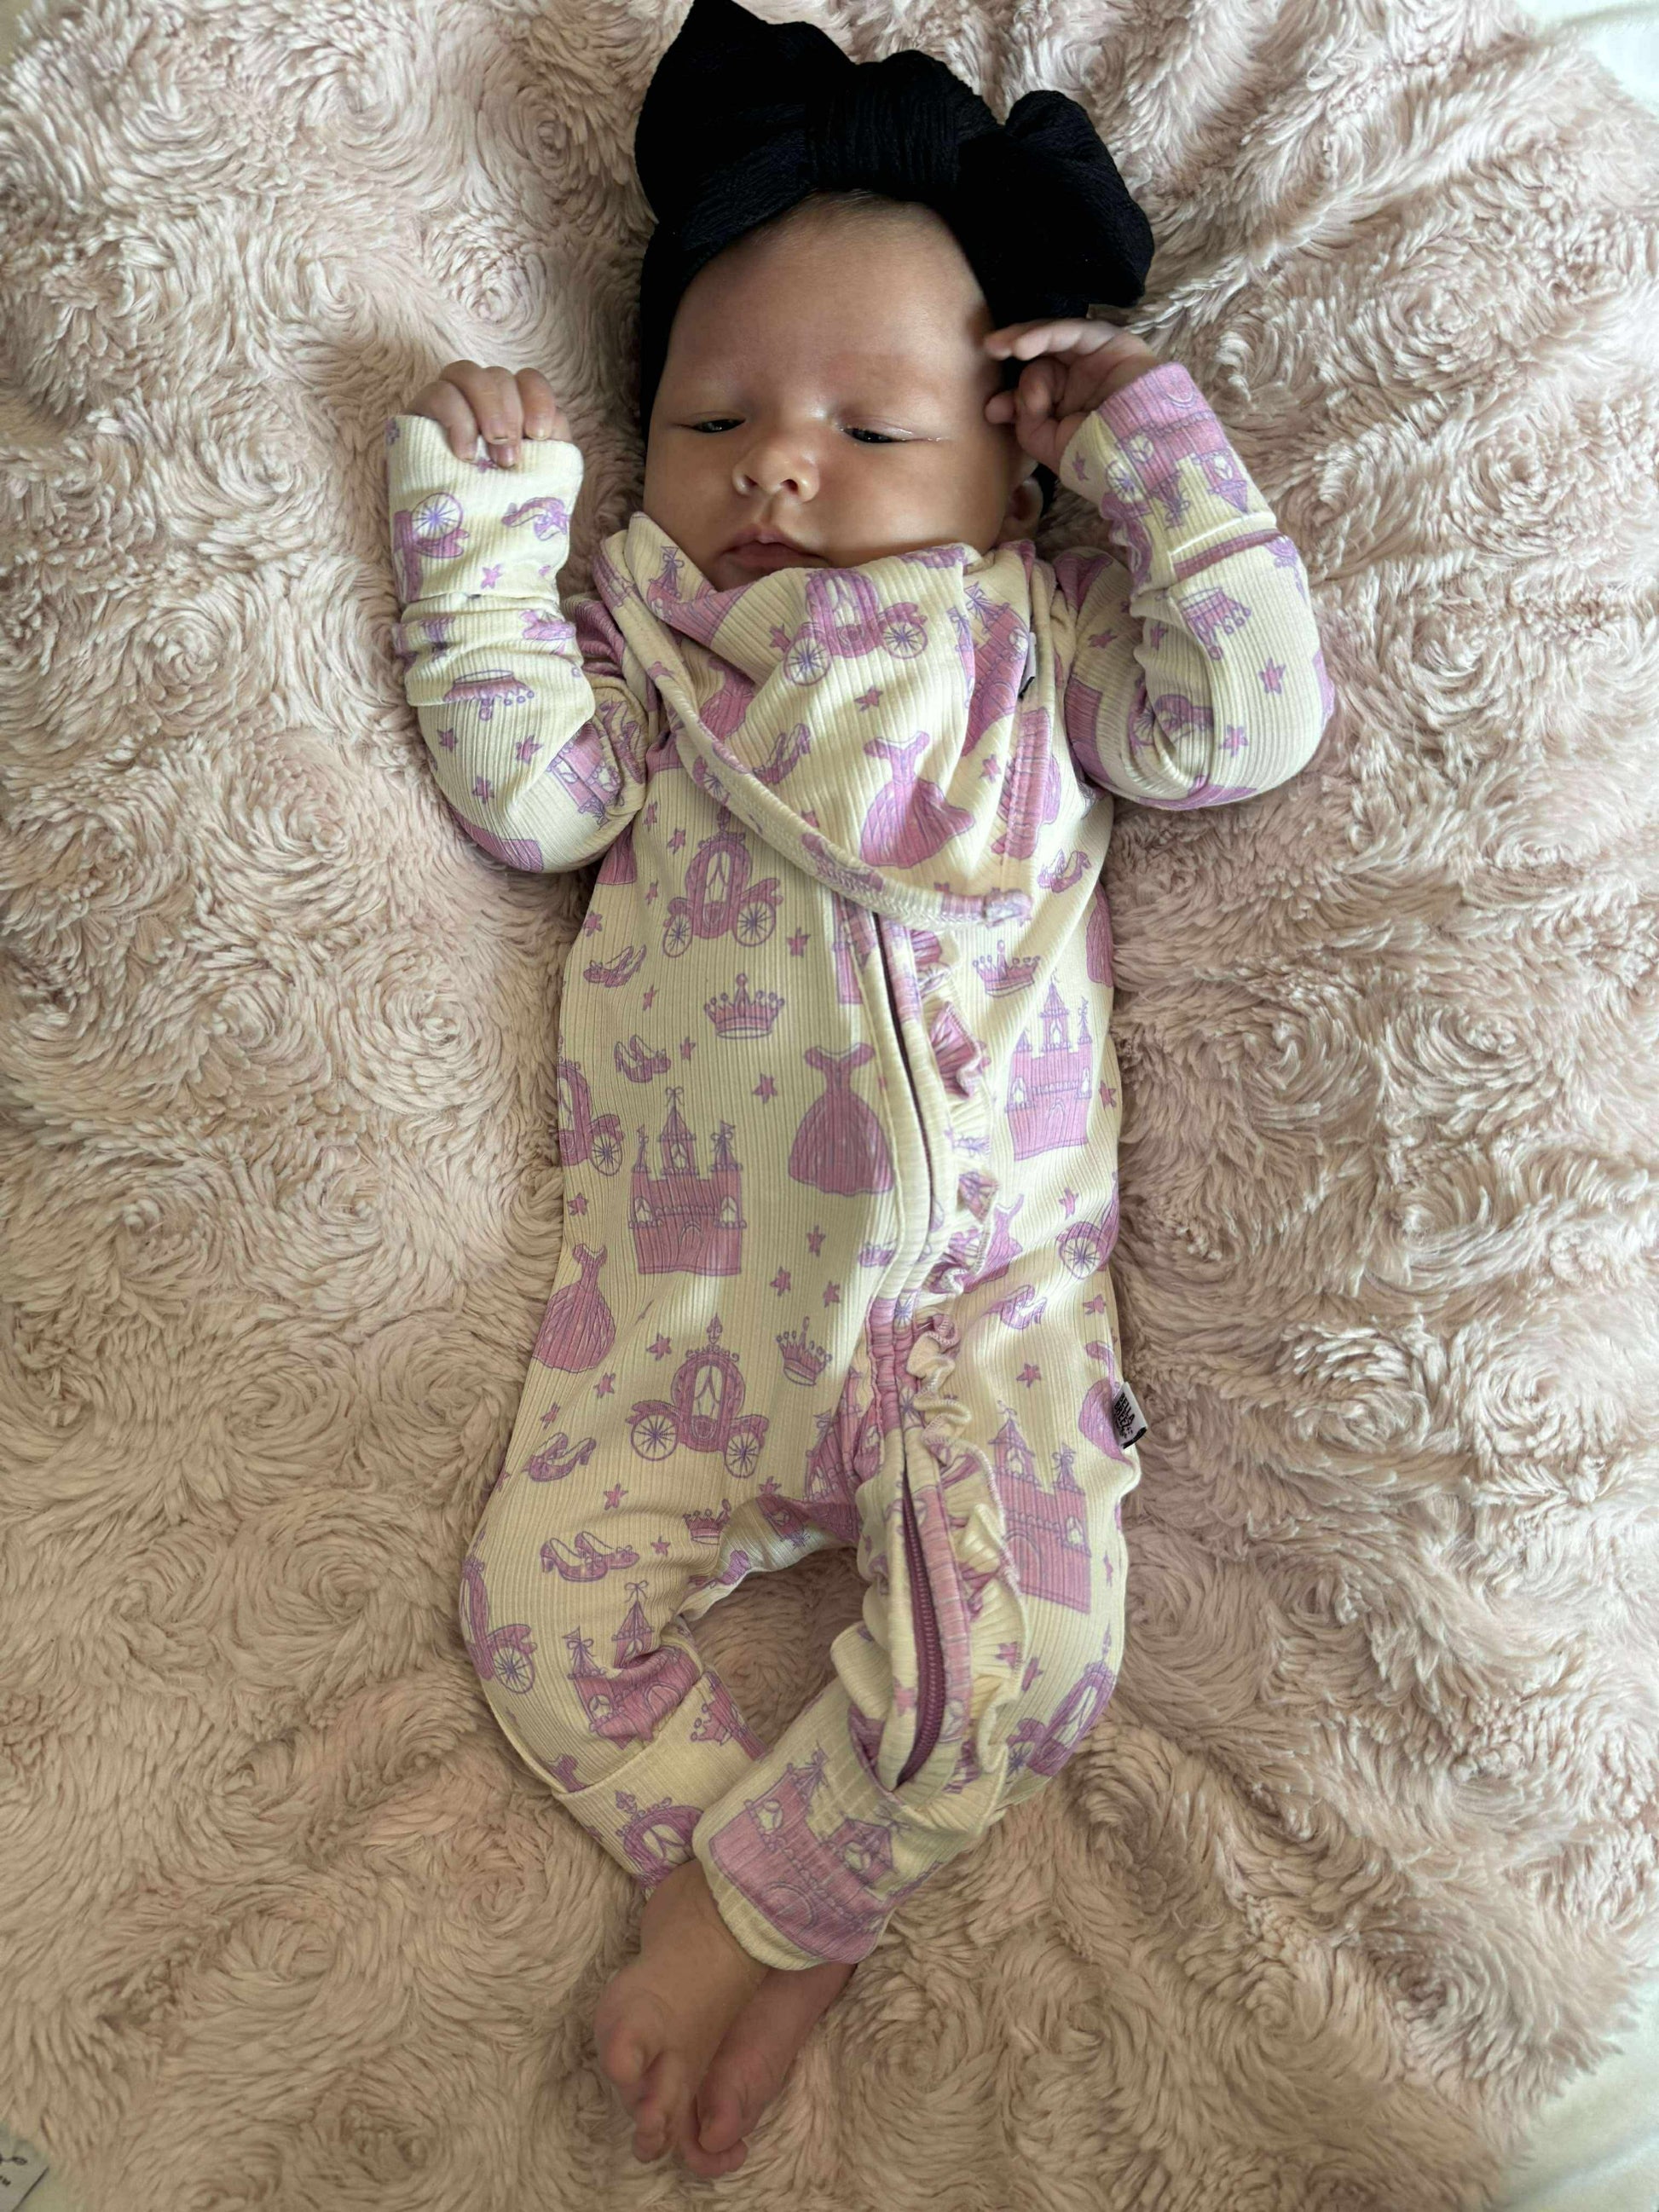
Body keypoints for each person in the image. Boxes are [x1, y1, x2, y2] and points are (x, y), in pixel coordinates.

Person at [383, 0, 1334, 2180]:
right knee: (533, 1615)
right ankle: (746, 1871)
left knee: (1035, 1660)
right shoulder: (655, 648)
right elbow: (531, 797)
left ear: (1010, 470)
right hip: (687, 1306)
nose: (778, 466)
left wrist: (1149, 443)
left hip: (988, 1301)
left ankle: (758, 1904)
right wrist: (479, 534)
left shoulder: (1038, 639)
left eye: (870, 425)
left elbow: (1253, 714)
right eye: (713, 415)